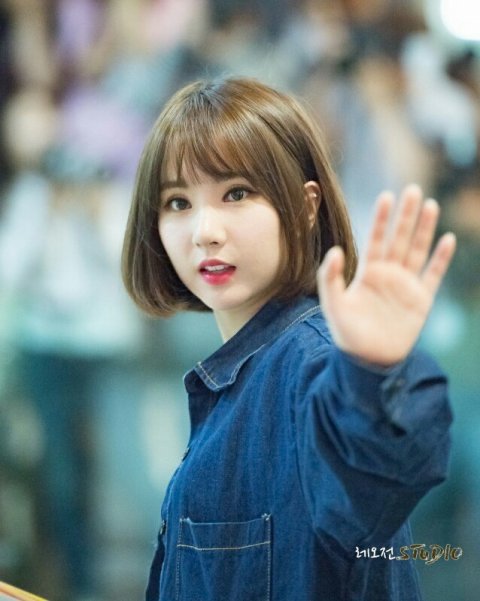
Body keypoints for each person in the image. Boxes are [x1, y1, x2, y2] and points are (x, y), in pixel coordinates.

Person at [121, 77, 456, 600]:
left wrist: (371, 374)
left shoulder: (310, 364)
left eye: (236, 193)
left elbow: (376, 477)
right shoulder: (240, 374)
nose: (205, 231)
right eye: (178, 202)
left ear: (304, 206)